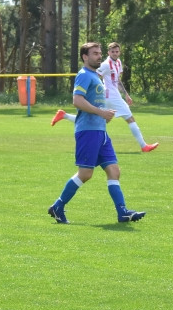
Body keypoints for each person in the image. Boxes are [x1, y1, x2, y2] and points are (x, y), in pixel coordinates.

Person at [47, 43, 146, 224]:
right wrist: (101, 113)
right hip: (88, 131)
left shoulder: (96, 76)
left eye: (100, 53)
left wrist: (104, 116)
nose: (99, 56)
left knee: (114, 171)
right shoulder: (84, 75)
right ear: (85, 56)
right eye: (95, 53)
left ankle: (122, 212)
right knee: (85, 174)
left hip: (100, 131)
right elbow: (77, 100)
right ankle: (57, 207)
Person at [51, 43, 158, 152]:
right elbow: (94, 76)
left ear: (119, 52)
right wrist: (94, 93)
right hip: (110, 96)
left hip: (113, 95)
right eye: (113, 52)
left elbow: (117, 80)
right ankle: (144, 146)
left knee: (98, 119)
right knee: (130, 119)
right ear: (109, 52)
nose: (115, 53)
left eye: (117, 51)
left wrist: (126, 94)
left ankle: (64, 115)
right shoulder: (105, 64)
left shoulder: (118, 63)